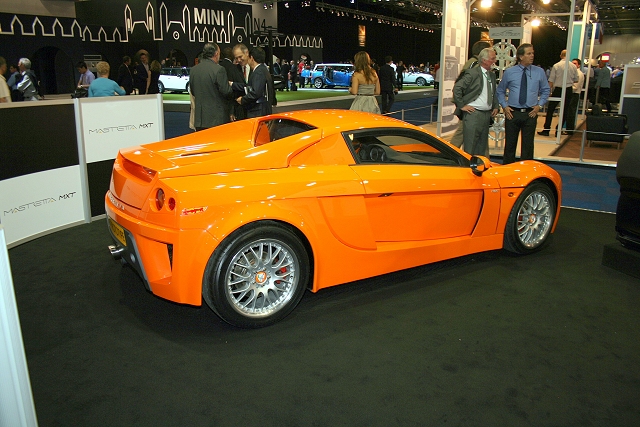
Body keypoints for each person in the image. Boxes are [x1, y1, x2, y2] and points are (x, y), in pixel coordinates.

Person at [496, 43, 550, 164]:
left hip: (530, 113)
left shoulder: (539, 72)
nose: (532, 56)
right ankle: (507, 171)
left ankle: (526, 172)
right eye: (529, 53)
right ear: (520, 56)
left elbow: (546, 90)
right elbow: (500, 91)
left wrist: (539, 105)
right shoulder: (510, 72)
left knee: (528, 146)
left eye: (533, 53)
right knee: (510, 145)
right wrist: (504, 106)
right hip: (512, 113)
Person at [453, 48, 499, 156]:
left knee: (482, 146)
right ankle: (467, 169)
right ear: (484, 60)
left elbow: (493, 93)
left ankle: (480, 167)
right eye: (492, 58)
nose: (495, 61)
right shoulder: (472, 73)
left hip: (486, 114)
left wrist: (495, 106)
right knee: (470, 146)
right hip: (473, 114)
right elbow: (457, 88)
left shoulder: (491, 75)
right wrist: (462, 106)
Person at [190, 42, 233, 130]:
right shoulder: (219, 70)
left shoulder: (193, 70)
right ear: (216, 54)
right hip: (217, 120)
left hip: (199, 120)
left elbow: (193, 91)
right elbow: (227, 92)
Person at [538, 49, 578, 136]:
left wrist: (547, 92)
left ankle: (547, 129)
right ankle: (558, 130)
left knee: (550, 109)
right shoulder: (573, 66)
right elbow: (576, 79)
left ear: (561, 55)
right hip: (568, 89)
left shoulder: (556, 65)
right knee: (565, 110)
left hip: (558, 89)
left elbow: (551, 81)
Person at [232, 47, 274, 118]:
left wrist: (243, 99)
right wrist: (233, 84)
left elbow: (256, 92)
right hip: (263, 109)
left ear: (251, 58)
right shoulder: (263, 69)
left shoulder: (258, 72)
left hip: (258, 111)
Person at [220, 46, 246, 121]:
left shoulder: (219, 66)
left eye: (240, 57)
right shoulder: (233, 68)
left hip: (222, 107)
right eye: (236, 57)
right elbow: (231, 91)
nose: (238, 60)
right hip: (237, 107)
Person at [568, 58, 585, 135]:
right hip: (571, 94)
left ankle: (570, 130)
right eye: (572, 63)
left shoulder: (579, 74)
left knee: (571, 112)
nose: (573, 65)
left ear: (578, 65)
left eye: (575, 63)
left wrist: (567, 88)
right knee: (569, 112)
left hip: (574, 95)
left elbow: (575, 87)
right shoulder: (573, 73)